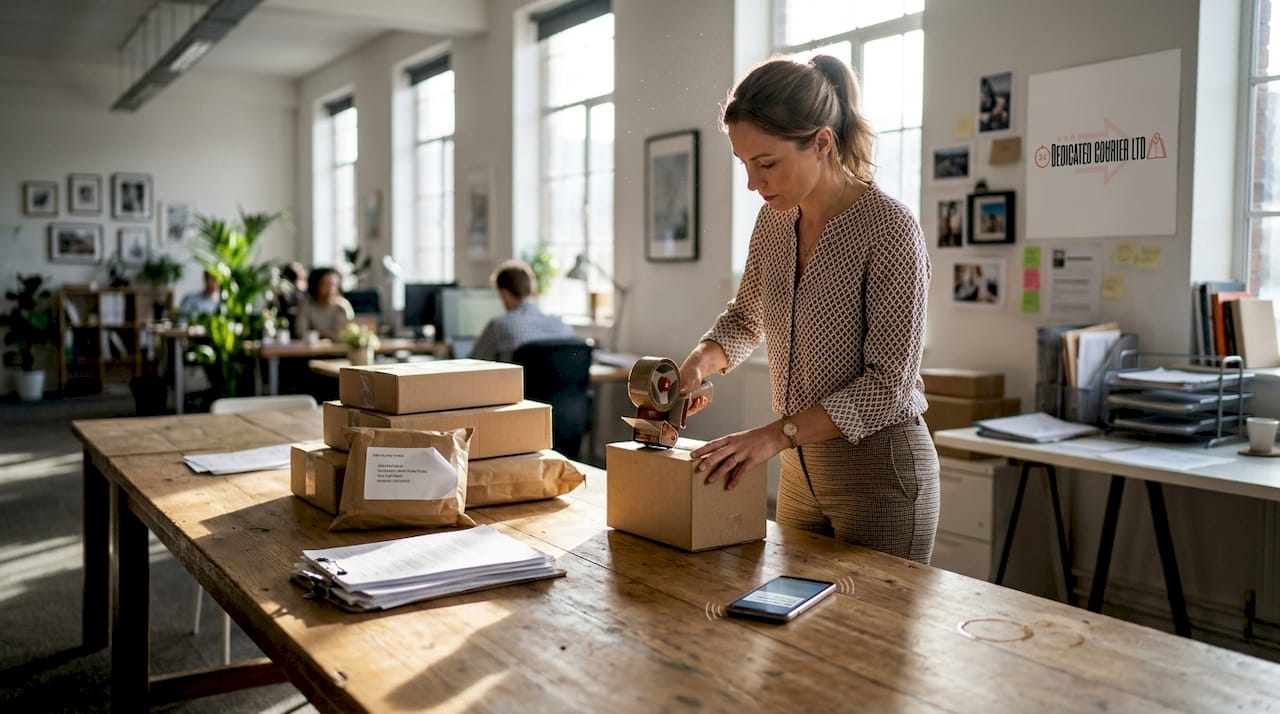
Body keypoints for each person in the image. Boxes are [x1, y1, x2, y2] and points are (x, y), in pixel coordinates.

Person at [677, 55, 939, 564]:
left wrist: (772, 436)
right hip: (799, 470)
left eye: (767, 163)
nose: (753, 183)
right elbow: (745, 317)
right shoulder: (773, 222)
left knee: (868, 639)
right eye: (745, 164)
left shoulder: (889, 230)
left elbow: (889, 386)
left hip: (882, 473)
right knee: (793, 636)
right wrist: (697, 364)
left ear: (822, 142)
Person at [469, 260, 575, 362]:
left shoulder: (499, 325)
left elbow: (473, 363)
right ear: (530, 289)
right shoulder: (562, 326)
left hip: (516, 381)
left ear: (504, 293)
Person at [295, 266, 353, 340]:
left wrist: (321, 334)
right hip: (312, 349)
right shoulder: (306, 305)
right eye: (326, 285)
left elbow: (349, 332)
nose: (330, 289)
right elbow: (300, 332)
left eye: (334, 285)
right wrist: (328, 335)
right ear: (315, 285)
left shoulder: (342, 305)